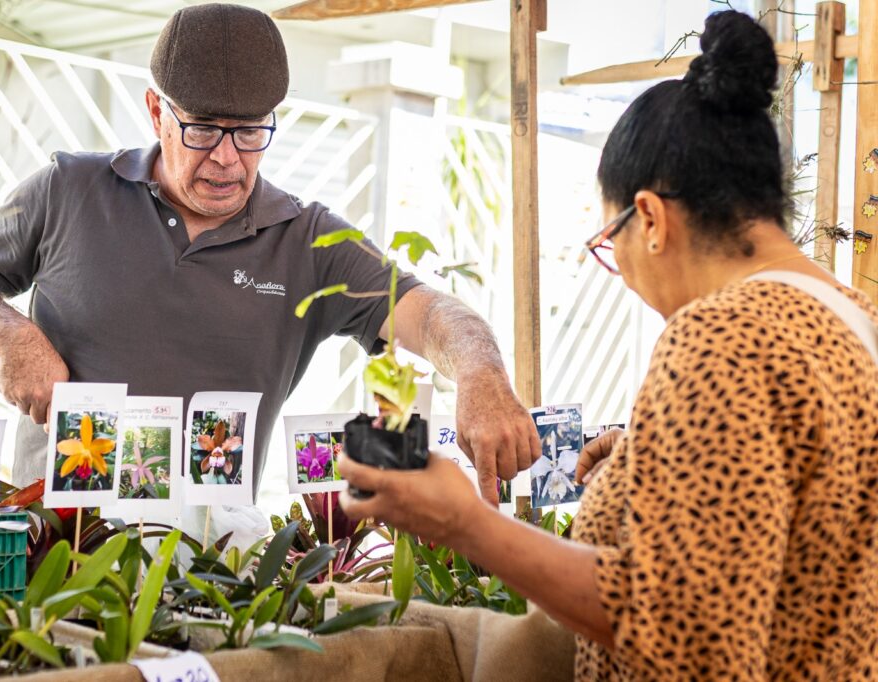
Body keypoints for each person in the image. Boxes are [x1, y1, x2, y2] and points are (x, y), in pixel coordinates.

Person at [338, 10, 878, 680]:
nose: (618, 269)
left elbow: (684, 630)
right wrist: (650, 453)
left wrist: (467, 526)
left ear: (649, 218)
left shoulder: (722, 338)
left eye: (607, 244)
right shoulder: (850, 318)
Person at [0, 3, 536, 506]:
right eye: (201, 130)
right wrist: (10, 334)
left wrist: (482, 373)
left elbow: (428, 313)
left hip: (215, 575)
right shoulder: (67, 189)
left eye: (250, 133)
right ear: (155, 112)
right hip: (53, 550)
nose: (226, 158)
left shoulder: (309, 240)